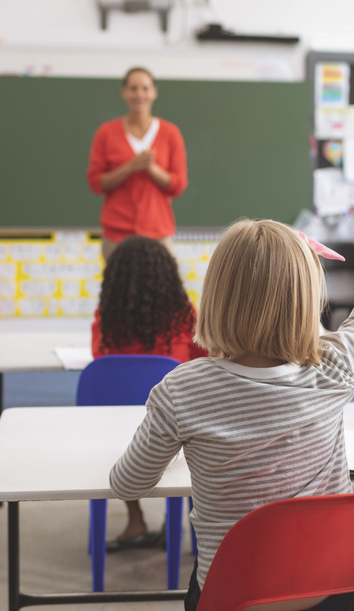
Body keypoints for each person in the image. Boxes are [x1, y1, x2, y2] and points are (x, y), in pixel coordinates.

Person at [109, 152, 354, 611]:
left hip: (230, 598)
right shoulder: (336, 368)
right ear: (307, 299)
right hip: (332, 590)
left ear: (217, 296)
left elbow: (128, 484)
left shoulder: (181, 392)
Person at [91, 234, 207, 550]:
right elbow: (204, 365)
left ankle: (135, 519)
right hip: (179, 431)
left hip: (118, 433)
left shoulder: (107, 318)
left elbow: (100, 363)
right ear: (167, 274)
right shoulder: (185, 316)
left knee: (121, 434)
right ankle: (187, 525)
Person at [87, 67, 188, 260]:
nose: (139, 94)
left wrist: (152, 169)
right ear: (124, 92)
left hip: (158, 232)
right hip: (117, 234)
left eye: (145, 88)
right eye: (133, 88)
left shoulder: (170, 133)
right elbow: (95, 182)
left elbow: (178, 186)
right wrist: (129, 168)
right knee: (118, 289)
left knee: (163, 288)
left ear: (154, 92)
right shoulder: (106, 133)